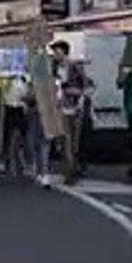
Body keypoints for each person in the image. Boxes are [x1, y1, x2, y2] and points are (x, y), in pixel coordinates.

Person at [50, 40, 92, 185]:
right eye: (54, 52)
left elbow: (88, 87)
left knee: (73, 142)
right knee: (64, 142)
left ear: (64, 52)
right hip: (59, 108)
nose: (55, 54)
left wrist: (76, 93)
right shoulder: (53, 67)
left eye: (57, 51)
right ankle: (70, 172)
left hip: (75, 108)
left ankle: (73, 170)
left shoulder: (75, 67)